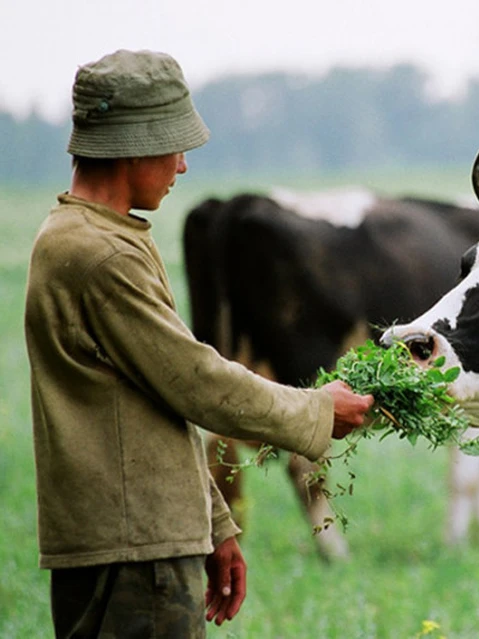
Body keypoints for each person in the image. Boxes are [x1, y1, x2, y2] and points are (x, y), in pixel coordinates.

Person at [23, 49, 375, 638]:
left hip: (142, 538)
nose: (183, 165)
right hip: (135, 553)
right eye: (175, 144)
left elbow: (156, 405)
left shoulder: (99, 237)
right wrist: (316, 409)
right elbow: (196, 382)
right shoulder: (101, 255)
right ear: (134, 143)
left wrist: (214, 525)